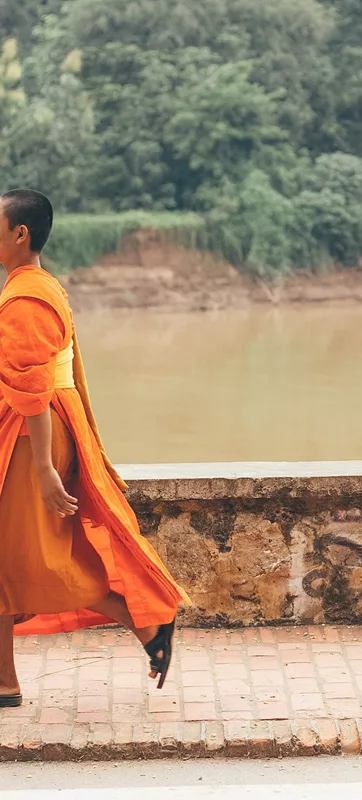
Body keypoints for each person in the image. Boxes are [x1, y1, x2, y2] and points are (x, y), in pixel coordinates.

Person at [0, 189, 190, 709]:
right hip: (26, 432)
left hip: (28, 438)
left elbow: (34, 391)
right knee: (7, 558)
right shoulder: (31, 287)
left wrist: (42, 468)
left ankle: (147, 620)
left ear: (21, 234)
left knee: (32, 560)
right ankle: (5, 684)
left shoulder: (26, 298)